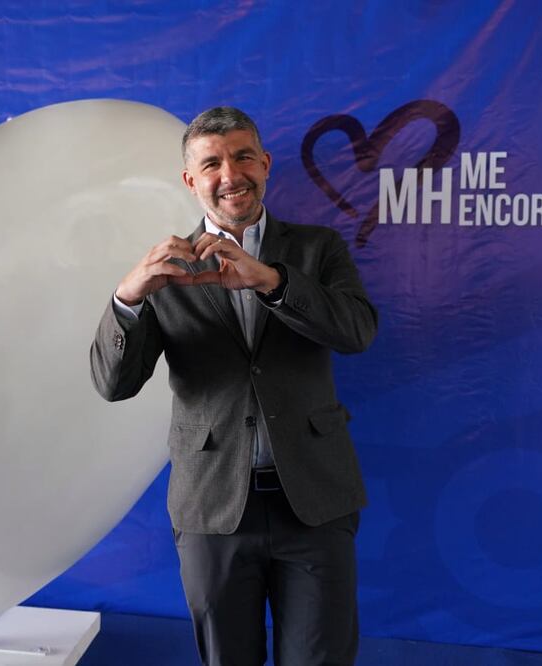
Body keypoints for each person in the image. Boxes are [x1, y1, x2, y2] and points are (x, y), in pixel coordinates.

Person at [90, 106, 377, 666]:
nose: (230, 175)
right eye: (212, 163)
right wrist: (128, 298)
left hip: (314, 499)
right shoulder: (166, 267)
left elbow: (357, 332)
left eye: (243, 156)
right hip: (212, 506)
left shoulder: (318, 249)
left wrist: (270, 281)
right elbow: (112, 384)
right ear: (190, 180)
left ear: (265, 164)